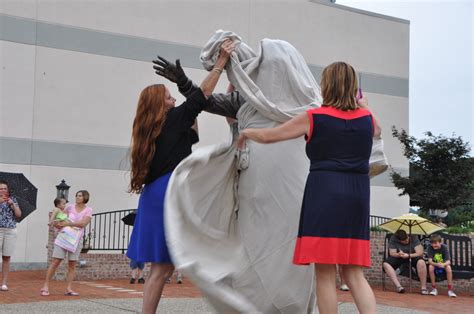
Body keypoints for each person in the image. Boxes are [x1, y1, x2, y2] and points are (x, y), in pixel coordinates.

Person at [236, 61, 379, 314]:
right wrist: (363, 104)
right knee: (354, 273)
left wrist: (246, 133)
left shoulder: (315, 117)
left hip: (325, 193)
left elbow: (271, 136)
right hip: (357, 196)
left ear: (326, 85)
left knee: (324, 274)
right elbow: (377, 130)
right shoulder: (367, 119)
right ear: (354, 88)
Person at [126, 40, 233, 314]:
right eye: (169, 97)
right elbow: (201, 98)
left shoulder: (156, 129)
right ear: (159, 105)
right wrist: (220, 64)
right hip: (168, 194)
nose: (174, 100)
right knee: (162, 268)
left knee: (161, 268)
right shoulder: (171, 120)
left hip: (157, 194)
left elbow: (194, 119)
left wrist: (187, 91)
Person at [40, 190, 93, 296]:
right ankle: (45, 286)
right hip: (64, 237)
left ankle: (69, 288)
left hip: (77, 239)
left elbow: (83, 223)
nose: (77, 197)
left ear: (85, 198)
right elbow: (61, 218)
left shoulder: (88, 210)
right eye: (77, 196)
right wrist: (57, 223)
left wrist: (68, 223)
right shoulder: (69, 207)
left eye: (80, 196)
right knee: (55, 261)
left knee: (72, 264)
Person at [382, 229, 428, 294]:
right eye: (404, 241)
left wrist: (408, 255)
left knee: (421, 262)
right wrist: (399, 254)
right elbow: (392, 253)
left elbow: (420, 252)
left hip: (413, 256)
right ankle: (399, 287)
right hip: (400, 257)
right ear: (399, 240)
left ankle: (423, 288)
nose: (407, 240)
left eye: (407, 238)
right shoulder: (393, 238)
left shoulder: (413, 237)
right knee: (385, 264)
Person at [0, 180, 22, 291]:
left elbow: (18, 215)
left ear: (8, 190)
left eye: (5, 188)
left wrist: (12, 205)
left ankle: (3, 283)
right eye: (1, 188)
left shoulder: (12, 200)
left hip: (10, 230)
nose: (3, 190)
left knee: (6, 257)